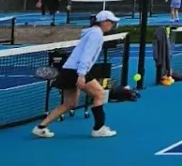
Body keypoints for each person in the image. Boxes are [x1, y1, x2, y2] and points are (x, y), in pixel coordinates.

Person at [32, 10, 119, 138]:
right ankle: (99, 128)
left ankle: (41, 127)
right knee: (99, 93)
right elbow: (86, 55)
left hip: (69, 69)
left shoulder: (92, 32)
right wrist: (82, 74)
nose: (112, 25)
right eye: (111, 22)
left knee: (69, 104)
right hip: (76, 70)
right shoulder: (96, 34)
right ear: (104, 22)